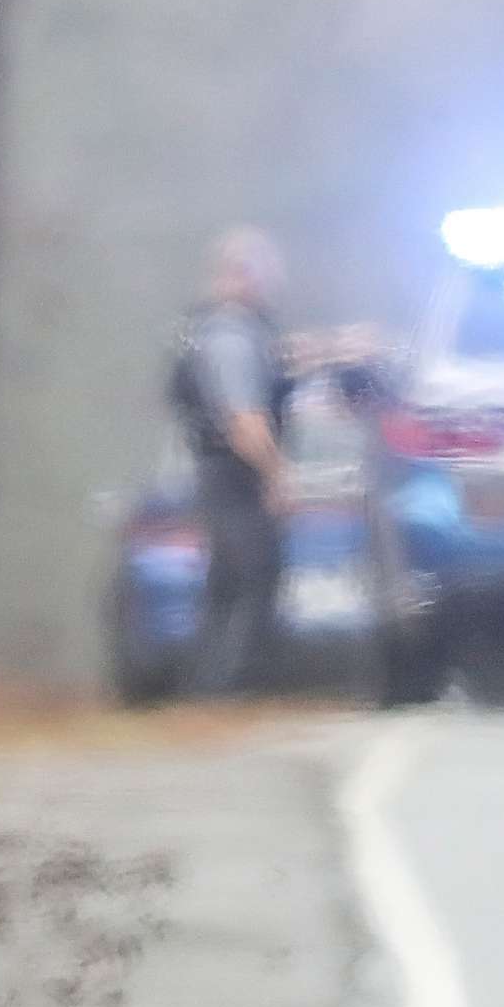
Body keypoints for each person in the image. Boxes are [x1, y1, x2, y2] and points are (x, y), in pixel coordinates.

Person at [172, 225, 292, 697]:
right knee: (252, 580)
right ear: (245, 276)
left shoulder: (209, 328)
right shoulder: (232, 335)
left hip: (216, 474)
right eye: (267, 274)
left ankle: (210, 688)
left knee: (224, 584)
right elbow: (246, 422)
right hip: (236, 477)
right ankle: (231, 690)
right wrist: (279, 475)